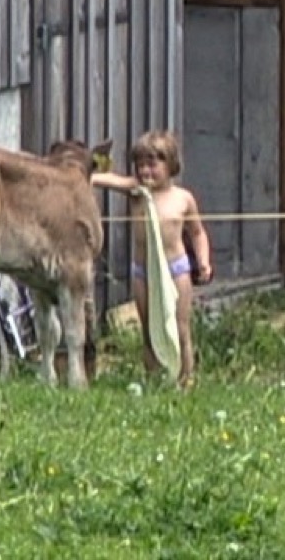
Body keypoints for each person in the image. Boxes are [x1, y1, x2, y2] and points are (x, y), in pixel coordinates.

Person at [89, 130, 212, 388]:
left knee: (180, 328)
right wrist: (83, 175)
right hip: (143, 272)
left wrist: (203, 261)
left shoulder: (183, 199)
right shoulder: (136, 191)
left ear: (170, 165)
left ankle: (186, 380)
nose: (145, 171)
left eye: (152, 164)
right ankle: (154, 378)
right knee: (149, 330)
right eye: (140, 165)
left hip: (176, 270)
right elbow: (108, 179)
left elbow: (197, 233)